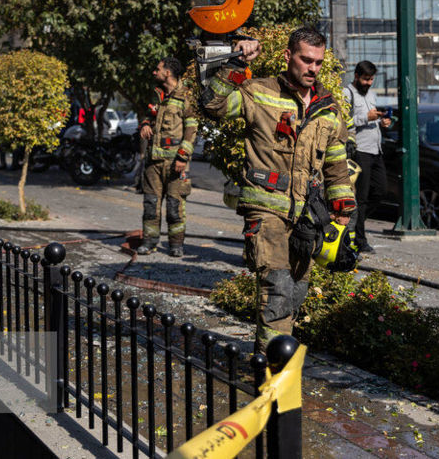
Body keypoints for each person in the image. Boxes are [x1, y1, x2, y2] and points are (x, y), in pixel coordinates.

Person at [201, 27, 356, 348]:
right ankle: (272, 374)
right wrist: (234, 64)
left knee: (297, 291)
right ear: (288, 57)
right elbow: (213, 105)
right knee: (277, 289)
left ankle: (275, 357)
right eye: (305, 60)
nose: (312, 68)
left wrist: (342, 215)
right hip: (266, 209)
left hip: (307, 217)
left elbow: (336, 163)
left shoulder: (328, 107)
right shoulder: (259, 92)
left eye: (318, 62)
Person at [136, 57, 198, 258]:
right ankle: (149, 242)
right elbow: (148, 115)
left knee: (175, 206)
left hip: (175, 164)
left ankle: (176, 245)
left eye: (158, 69)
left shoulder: (185, 96)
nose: (154, 72)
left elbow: (192, 129)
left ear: (168, 73)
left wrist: (182, 157)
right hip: (153, 163)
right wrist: (145, 124)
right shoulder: (157, 95)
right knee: (151, 204)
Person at [344, 61, 391, 254]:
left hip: (375, 150)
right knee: (361, 197)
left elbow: (373, 117)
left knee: (381, 190)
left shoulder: (371, 95)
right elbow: (343, 122)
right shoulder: (346, 94)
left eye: (371, 79)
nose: (369, 83)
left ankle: (356, 222)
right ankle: (360, 240)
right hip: (360, 150)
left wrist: (382, 121)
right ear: (356, 76)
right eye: (365, 79)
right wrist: (366, 118)